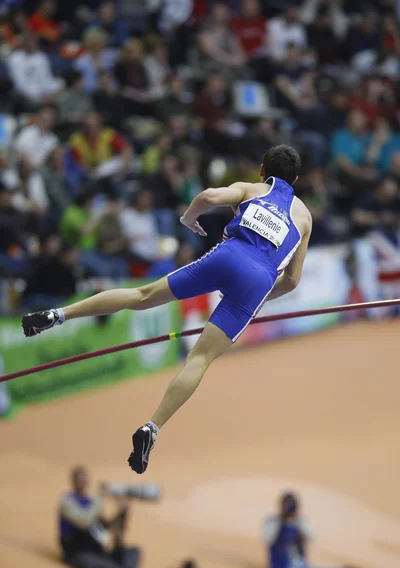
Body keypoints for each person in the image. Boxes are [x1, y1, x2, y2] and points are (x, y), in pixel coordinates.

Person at [22, 145, 312, 474]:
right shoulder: (304, 217)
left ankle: (58, 314)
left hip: (229, 255)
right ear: (297, 179)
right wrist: (255, 301)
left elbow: (207, 196)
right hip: (258, 279)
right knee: (199, 359)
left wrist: (189, 219)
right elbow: (291, 281)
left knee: (142, 295)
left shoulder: (251, 189)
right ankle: (152, 427)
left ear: (262, 169)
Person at [59, 466, 141, 568]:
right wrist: (100, 498)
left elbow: (104, 527)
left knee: (133, 553)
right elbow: (84, 522)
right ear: (73, 481)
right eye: (79, 480)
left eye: (84, 480)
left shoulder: (90, 502)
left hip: (96, 551)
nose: (82, 483)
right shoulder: (67, 501)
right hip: (78, 552)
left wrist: (122, 513)